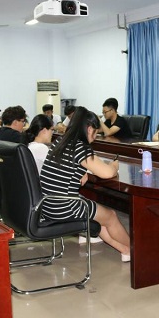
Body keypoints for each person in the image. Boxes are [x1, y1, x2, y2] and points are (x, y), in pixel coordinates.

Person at [40, 106, 131, 262]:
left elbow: (66, 166)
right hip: (65, 206)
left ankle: (126, 251)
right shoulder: (80, 147)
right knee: (110, 216)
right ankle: (136, 249)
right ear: (89, 129)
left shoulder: (60, 142)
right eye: (95, 132)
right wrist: (114, 165)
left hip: (47, 204)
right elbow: (107, 173)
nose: (95, 137)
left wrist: (81, 171)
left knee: (99, 215)